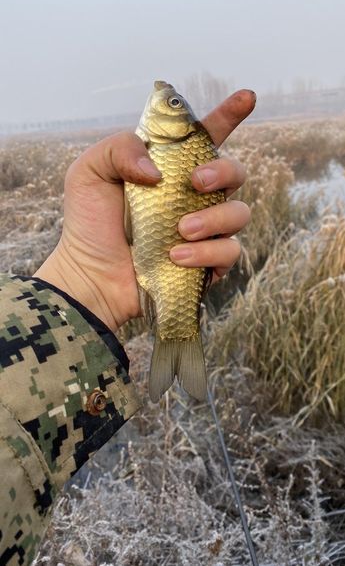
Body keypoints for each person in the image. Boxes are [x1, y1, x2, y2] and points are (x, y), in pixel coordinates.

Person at [0, 89, 255, 566]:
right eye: (174, 104)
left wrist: (81, 284)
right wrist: (82, 277)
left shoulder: (179, 149)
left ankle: (179, 335)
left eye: (175, 104)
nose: (165, 96)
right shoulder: (161, 148)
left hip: (149, 269)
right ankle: (178, 339)